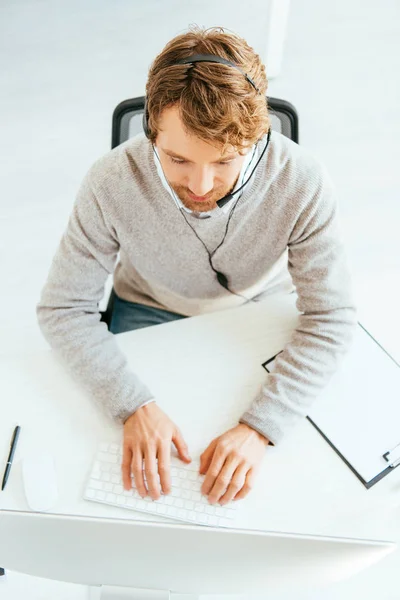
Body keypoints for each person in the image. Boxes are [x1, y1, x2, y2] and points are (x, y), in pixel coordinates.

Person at [37, 26, 357, 508]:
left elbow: (332, 319)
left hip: (256, 307)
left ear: (258, 135)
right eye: (177, 159)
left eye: (224, 161)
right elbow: (62, 309)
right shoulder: (110, 181)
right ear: (151, 129)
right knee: (119, 469)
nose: (202, 186)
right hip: (148, 304)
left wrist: (259, 429)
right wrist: (132, 405)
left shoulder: (303, 181)